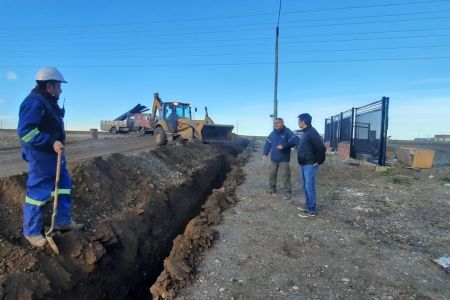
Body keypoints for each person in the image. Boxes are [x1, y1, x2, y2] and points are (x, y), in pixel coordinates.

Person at [17, 67, 79, 247]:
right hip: (41, 155)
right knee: (38, 192)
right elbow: (26, 133)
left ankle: (61, 221)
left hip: (54, 154)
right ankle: (32, 231)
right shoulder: (34, 103)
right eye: (59, 86)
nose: (61, 90)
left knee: (64, 186)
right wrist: (50, 141)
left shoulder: (49, 102)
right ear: (50, 86)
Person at [296, 113, 326, 217]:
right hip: (304, 163)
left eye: (299, 121)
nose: (298, 122)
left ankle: (312, 210)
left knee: (309, 186)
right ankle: (308, 206)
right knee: (305, 185)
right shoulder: (306, 132)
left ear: (303, 122)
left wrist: (319, 161)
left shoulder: (312, 132)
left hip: (310, 164)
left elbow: (321, 148)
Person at [262, 118, 297, 200]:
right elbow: (268, 143)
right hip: (274, 159)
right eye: (274, 123)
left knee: (285, 175)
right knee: (272, 174)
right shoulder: (273, 133)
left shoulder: (287, 131)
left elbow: (294, 141)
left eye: (277, 123)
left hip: (284, 159)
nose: (275, 124)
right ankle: (272, 189)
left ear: (282, 123)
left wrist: (284, 145)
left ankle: (287, 192)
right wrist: (265, 153)